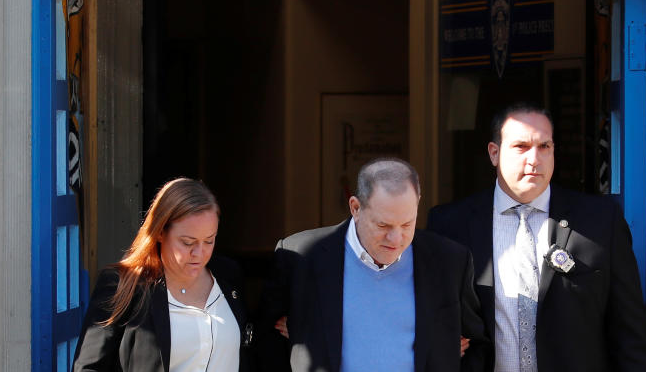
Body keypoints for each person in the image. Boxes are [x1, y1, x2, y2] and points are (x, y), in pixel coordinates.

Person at [427, 103, 646, 372]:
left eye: (544, 147)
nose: (534, 159)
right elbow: (427, 318)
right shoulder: (450, 225)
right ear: (494, 153)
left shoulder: (599, 221)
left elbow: (629, 334)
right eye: (521, 147)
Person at [258, 157, 489, 372]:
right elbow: (266, 342)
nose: (396, 239)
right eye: (383, 226)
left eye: (407, 224)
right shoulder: (297, 254)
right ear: (356, 208)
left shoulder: (449, 260)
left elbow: (475, 346)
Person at [73, 178, 252, 372]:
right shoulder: (122, 284)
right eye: (187, 242)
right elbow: (89, 367)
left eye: (209, 241)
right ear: (159, 232)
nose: (199, 254)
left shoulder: (228, 276)